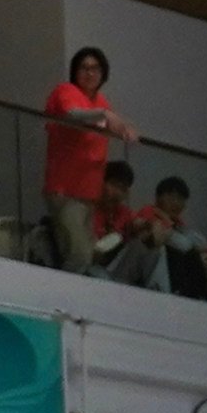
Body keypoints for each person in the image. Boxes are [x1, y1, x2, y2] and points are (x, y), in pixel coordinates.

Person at [41, 47, 130, 272]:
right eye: (84, 68)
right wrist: (104, 115)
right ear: (75, 71)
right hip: (66, 191)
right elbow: (72, 114)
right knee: (78, 254)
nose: (90, 73)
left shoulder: (101, 101)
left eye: (95, 68)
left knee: (87, 254)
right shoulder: (66, 90)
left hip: (89, 194)